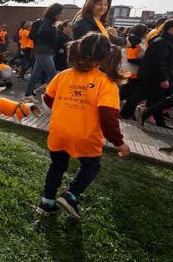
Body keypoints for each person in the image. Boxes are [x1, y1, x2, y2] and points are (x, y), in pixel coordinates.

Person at [37, 33, 130, 219]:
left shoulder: (63, 75)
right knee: (91, 166)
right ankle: (70, 195)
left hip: (59, 132)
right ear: (105, 57)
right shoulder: (107, 83)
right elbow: (108, 118)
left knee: (57, 166)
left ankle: (47, 203)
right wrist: (119, 142)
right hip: (85, 136)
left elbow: (47, 101)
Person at [120, 19, 173, 125]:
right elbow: (159, 61)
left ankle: (129, 113)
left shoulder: (161, 40)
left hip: (149, 74)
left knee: (143, 96)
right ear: (171, 29)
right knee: (155, 100)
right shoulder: (162, 42)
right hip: (153, 76)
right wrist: (163, 78)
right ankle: (147, 116)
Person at [24, 3, 64, 101]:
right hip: (44, 52)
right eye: (61, 13)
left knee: (35, 75)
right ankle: (49, 97)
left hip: (43, 52)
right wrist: (55, 29)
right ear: (55, 13)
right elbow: (43, 34)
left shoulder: (49, 22)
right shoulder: (48, 22)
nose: (62, 15)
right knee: (53, 76)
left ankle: (28, 95)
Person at [118, 24, 148, 103]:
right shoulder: (134, 39)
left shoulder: (135, 39)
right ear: (142, 32)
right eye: (146, 31)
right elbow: (131, 58)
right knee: (124, 93)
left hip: (130, 70)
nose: (147, 33)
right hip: (130, 71)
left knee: (125, 93)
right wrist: (146, 63)